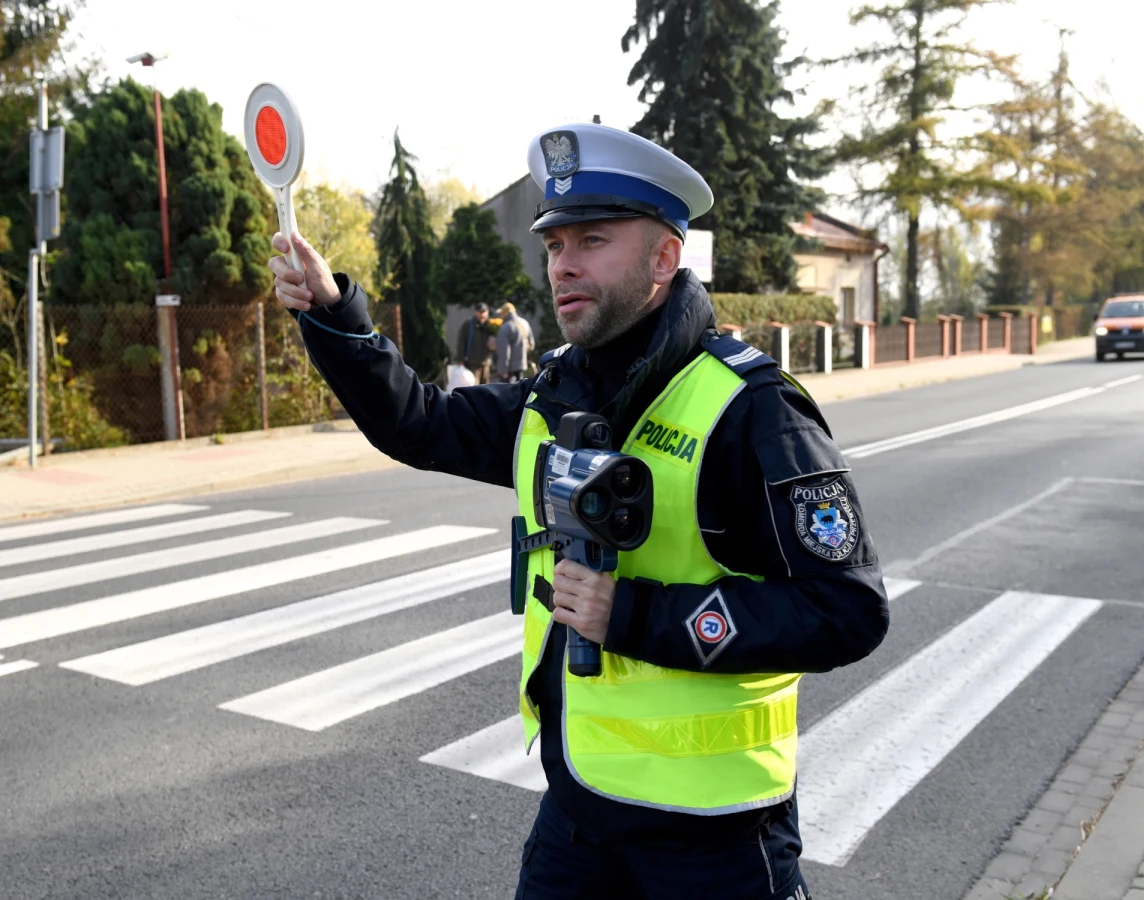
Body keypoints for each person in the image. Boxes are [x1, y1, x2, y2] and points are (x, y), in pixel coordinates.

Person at [268, 122, 890, 900]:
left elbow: (847, 609)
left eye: (592, 240)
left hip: (713, 839)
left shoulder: (751, 408)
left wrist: (631, 614)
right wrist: (333, 312)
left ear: (666, 257)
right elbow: (419, 422)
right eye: (556, 244)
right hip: (578, 816)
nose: (563, 264)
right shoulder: (553, 392)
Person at [495, 301, 535, 383]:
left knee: (507, 393)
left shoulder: (505, 327)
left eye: (501, 313)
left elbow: (504, 352)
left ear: (506, 313)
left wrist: (503, 371)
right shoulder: (524, 323)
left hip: (509, 369)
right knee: (520, 391)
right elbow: (532, 344)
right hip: (522, 365)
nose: (500, 315)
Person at [456, 301, 492, 385]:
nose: (482, 315)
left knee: (486, 388)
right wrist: (460, 360)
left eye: (484, 312)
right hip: (472, 363)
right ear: (475, 312)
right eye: (480, 312)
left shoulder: (491, 325)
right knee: (474, 388)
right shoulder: (468, 325)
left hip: (486, 363)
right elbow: (461, 343)